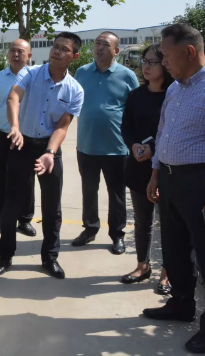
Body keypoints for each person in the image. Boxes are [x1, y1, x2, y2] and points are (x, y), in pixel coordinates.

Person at [142, 24, 205, 354]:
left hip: (203, 183)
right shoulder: (175, 88)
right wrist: (156, 173)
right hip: (170, 180)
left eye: (167, 56)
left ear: (189, 52)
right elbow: (163, 133)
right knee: (174, 249)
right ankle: (181, 304)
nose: (163, 62)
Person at [0, 32, 84, 279]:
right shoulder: (30, 74)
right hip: (21, 144)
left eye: (64, 49)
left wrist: (50, 152)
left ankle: (50, 257)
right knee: (11, 204)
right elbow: (13, 97)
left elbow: (63, 126)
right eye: (55, 46)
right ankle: (5, 255)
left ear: (74, 56)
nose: (56, 51)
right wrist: (14, 127)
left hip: (49, 150)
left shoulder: (75, 90)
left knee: (52, 207)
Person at [72, 32, 139, 255]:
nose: (99, 48)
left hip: (117, 148)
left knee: (117, 195)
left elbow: (135, 110)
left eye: (105, 45)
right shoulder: (82, 72)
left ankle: (117, 235)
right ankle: (90, 229)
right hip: (87, 145)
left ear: (116, 51)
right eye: (97, 43)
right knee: (89, 191)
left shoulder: (127, 76)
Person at [119, 44, 173, 294]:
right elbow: (126, 126)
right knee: (142, 221)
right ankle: (143, 265)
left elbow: (172, 131)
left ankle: (168, 273)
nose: (146, 66)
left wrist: (152, 148)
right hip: (138, 167)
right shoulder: (136, 95)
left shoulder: (174, 94)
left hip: (166, 170)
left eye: (153, 62)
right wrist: (133, 145)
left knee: (169, 223)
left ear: (166, 64)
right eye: (145, 61)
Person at [0, 39, 36, 237]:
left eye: (20, 51)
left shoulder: (34, 76)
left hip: (27, 137)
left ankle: (25, 220)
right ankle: (1, 219)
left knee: (26, 180)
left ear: (29, 55)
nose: (15, 54)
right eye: (12, 50)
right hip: (3, 136)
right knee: (1, 179)